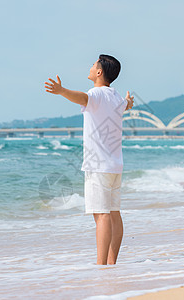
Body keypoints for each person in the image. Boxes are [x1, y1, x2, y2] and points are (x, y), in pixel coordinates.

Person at [45, 54, 134, 265]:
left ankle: (101, 266)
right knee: (113, 213)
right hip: (115, 166)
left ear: (100, 72)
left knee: (101, 216)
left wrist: (61, 91)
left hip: (98, 166)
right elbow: (125, 106)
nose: (90, 67)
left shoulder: (96, 94)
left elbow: (83, 98)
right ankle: (112, 262)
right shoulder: (115, 96)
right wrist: (129, 102)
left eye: (93, 65)